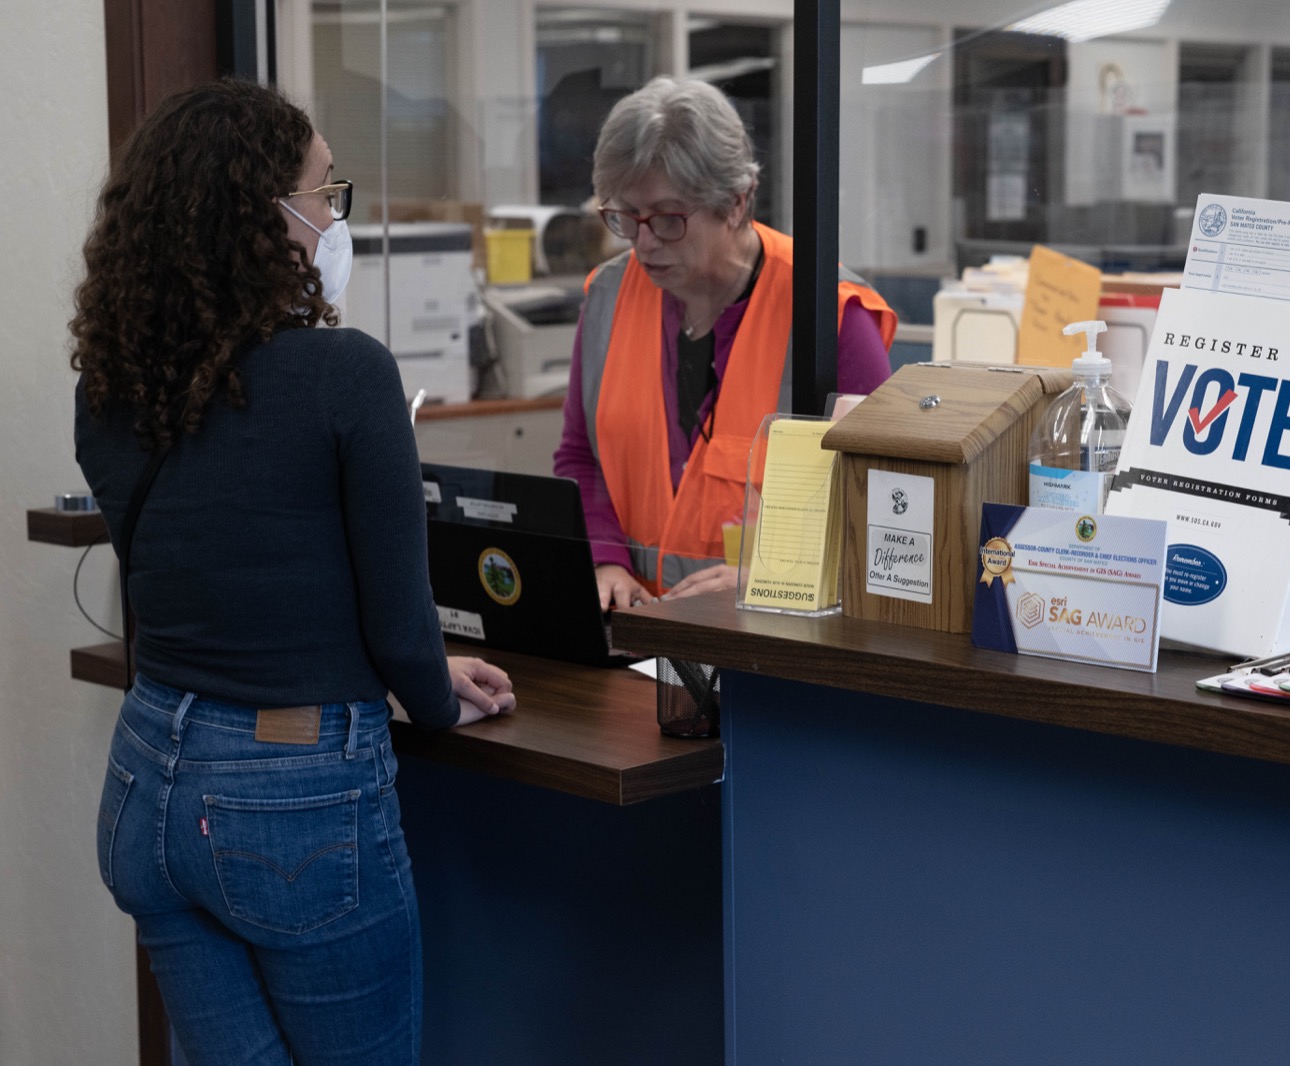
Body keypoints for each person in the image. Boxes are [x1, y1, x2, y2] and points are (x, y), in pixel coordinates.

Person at [71, 80, 515, 1066]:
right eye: (321, 193)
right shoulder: (344, 374)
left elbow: (226, 575)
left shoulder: (107, 389)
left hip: (147, 777)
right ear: (256, 221)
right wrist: (439, 698)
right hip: (292, 804)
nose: (331, 217)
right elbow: (399, 624)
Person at [554, 76, 898, 611]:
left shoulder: (829, 314)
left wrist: (767, 575)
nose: (644, 244)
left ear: (735, 204)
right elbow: (580, 457)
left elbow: (884, 500)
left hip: (772, 636)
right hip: (636, 636)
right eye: (625, 216)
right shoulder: (607, 296)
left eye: (668, 219)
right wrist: (604, 558)